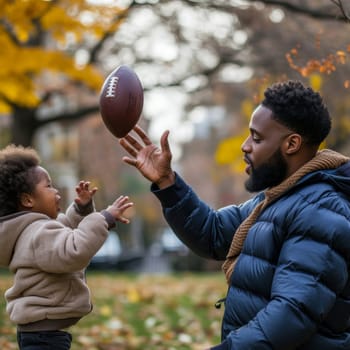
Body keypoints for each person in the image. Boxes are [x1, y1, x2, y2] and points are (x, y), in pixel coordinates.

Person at [119, 80, 350, 349]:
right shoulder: (277, 200)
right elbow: (213, 233)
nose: (245, 146)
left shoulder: (320, 211)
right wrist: (167, 181)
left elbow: (291, 313)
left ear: (292, 144)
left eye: (257, 137)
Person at [0, 145, 133, 350]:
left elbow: (63, 232)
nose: (57, 192)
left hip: (39, 331)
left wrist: (81, 209)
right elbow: (73, 250)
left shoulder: (33, 231)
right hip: (45, 336)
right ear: (28, 200)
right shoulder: (38, 233)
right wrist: (104, 219)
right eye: (49, 186)